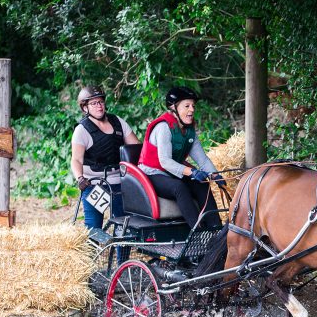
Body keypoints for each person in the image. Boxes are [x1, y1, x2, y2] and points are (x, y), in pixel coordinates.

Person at [138, 86, 225, 229]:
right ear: (173, 108)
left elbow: (202, 160)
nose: (192, 110)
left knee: (202, 184)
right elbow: (165, 162)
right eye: (187, 106)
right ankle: (198, 231)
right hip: (152, 173)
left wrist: (216, 175)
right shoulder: (163, 127)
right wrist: (192, 172)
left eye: (193, 106)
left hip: (171, 173)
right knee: (179, 188)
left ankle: (216, 229)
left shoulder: (189, 131)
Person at [70, 86, 140, 229]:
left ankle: (121, 250)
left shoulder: (118, 122)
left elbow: (136, 148)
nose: (99, 106)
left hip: (120, 181)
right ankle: (93, 251)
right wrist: (80, 178)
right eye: (94, 103)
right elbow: (76, 159)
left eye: (101, 102)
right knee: (94, 225)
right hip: (96, 184)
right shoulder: (82, 130)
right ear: (85, 108)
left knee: (124, 225)